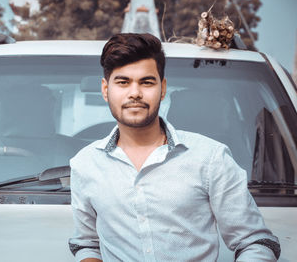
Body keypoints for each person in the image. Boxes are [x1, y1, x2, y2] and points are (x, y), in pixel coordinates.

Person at [68, 33, 280, 262]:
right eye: (123, 82)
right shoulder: (85, 164)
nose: (135, 93)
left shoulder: (210, 158)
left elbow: (256, 242)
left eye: (146, 82)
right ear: (105, 89)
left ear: (163, 87)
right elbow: (87, 244)